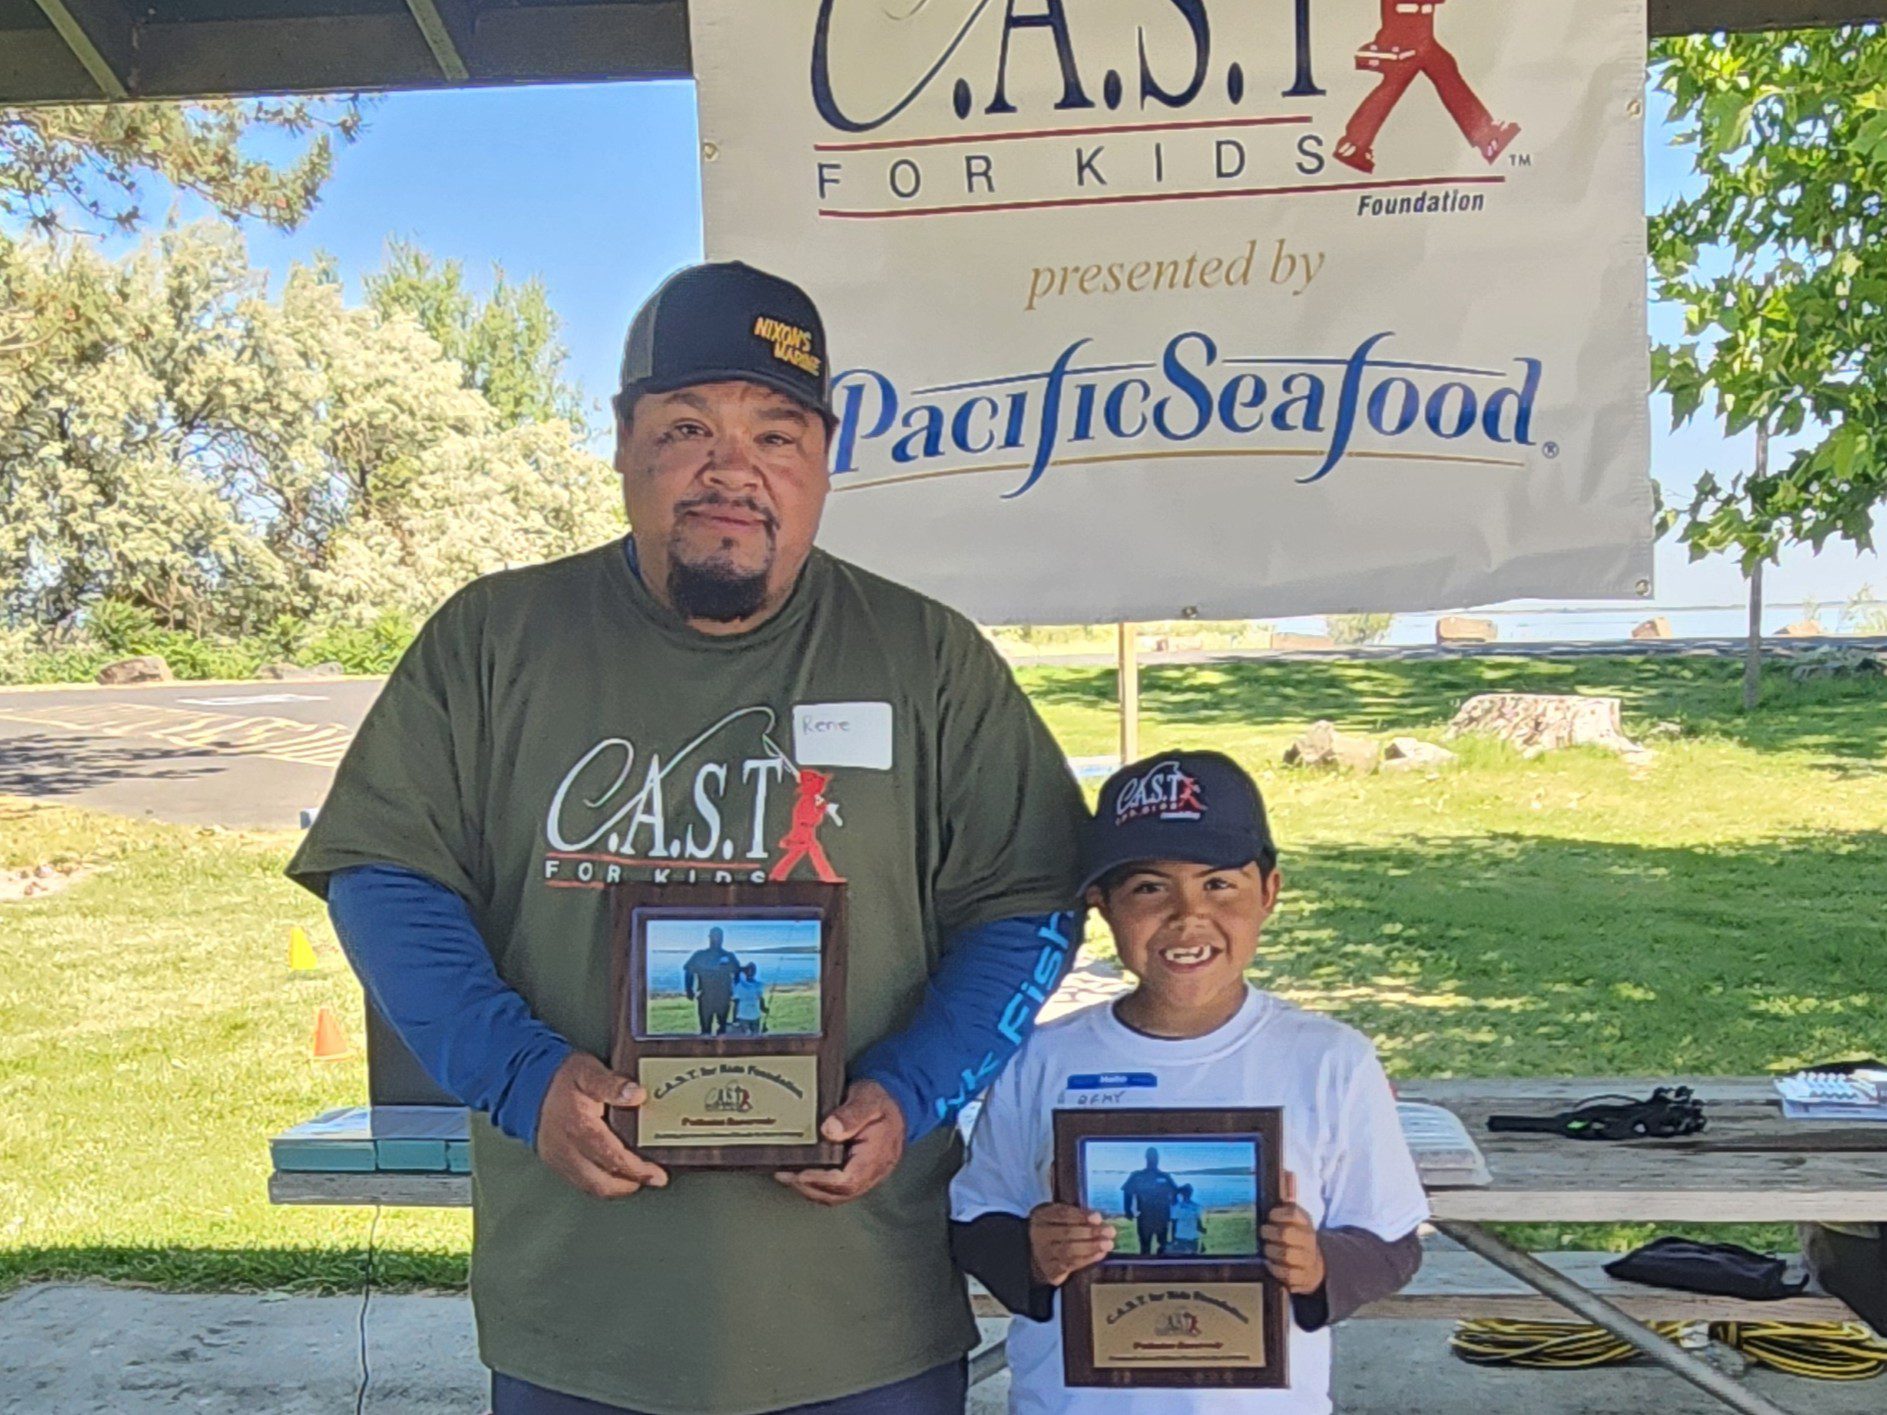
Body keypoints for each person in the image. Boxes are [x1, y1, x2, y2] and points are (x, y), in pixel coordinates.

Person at [291, 261, 1086, 1414]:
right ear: (622, 442)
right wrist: (523, 1076)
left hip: (861, 1321)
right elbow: (383, 876)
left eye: (777, 432)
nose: (733, 469)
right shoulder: (496, 639)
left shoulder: (928, 657)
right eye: (686, 427)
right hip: (582, 1324)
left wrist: (910, 1090)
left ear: (825, 458)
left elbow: (1031, 903)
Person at [949, 750, 1429, 1414]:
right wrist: (1033, 1253)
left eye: (1218, 885)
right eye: (1148, 887)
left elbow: (1391, 1241)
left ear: (1268, 891)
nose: (1186, 915)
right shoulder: (1041, 1059)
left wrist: (1316, 1264)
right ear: (1101, 903)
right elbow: (976, 1218)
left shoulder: (1329, 1060)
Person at [1120, 1146, 1179, 1255]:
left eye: (1154, 1157)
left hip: (1162, 1219)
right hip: (1145, 1218)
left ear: (1158, 1158)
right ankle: (1144, 1270)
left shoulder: (1165, 1176)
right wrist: (1128, 1211)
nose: (1153, 1159)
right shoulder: (1137, 1176)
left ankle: (1162, 1270)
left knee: (1163, 1247)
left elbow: (1175, 1194)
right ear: (1146, 1158)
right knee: (1145, 1247)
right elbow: (1127, 1192)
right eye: (1151, 1156)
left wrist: (1174, 1212)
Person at [683, 926, 742, 1034]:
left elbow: (737, 971)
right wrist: (689, 989)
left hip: (723, 998)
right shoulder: (700, 955)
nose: (717, 939)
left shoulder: (729, 956)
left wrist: (736, 991)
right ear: (709, 938)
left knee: (722, 1029)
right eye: (714, 936)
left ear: (722, 938)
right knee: (705, 1030)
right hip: (705, 998)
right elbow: (689, 971)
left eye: (719, 936)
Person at [730, 962, 769, 1036]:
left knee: (745, 1036)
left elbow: (735, 1000)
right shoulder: (759, 985)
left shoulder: (738, 985)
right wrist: (764, 1008)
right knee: (755, 1035)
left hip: (743, 1015)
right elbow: (760, 999)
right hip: (755, 1015)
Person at [1170, 1184, 1205, 1256]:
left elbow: (1174, 1225)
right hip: (1191, 1238)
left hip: (1181, 1238)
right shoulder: (1197, 1207)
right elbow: (1199, 1225)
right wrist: (1203, 1230)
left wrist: (1173, 1240)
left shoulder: (1176, 1207)